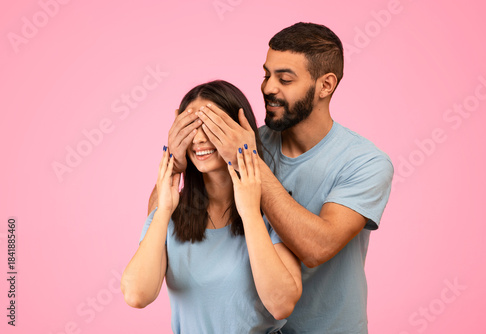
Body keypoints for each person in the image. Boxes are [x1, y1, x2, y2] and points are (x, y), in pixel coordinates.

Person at [157, 23, 394, 333]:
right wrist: (174, 164)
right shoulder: (246, 144)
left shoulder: (365, 163)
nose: (268, 88)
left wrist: (246, 158)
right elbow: (160, 218)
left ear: (326, 85)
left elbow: (317, 248)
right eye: (266, 75)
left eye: (285, 79)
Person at [121, 80, 302, 334]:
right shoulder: (169, 211)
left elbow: (281, 304)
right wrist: (163, 211)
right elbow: (136, 295)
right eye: (190, 127)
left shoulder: (272, 210)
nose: (198, 138)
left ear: (239, 130)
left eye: (211, 126)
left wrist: (250, 212)